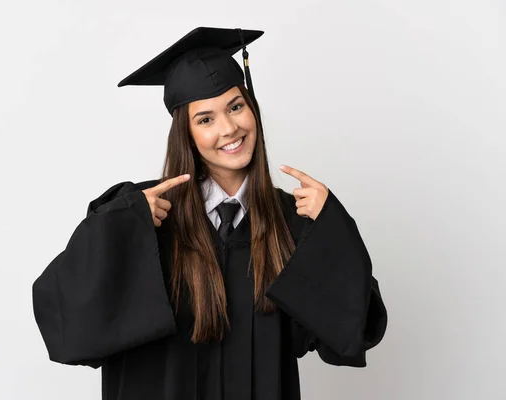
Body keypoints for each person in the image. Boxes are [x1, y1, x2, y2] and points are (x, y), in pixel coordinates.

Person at [32, 26, 388, 400]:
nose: (229, 128)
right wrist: (121, 227)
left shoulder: (292, 221)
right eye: (205, 119)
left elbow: (351, 336)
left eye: (236, 106)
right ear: (185, 133)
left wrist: (332, 229)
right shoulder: (142, 215)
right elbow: (66, 326)